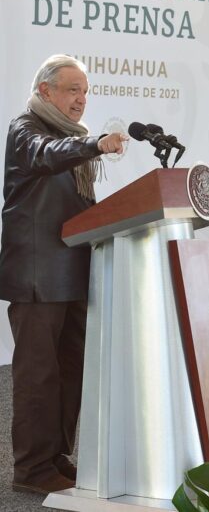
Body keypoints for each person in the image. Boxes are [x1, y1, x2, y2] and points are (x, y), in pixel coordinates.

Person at [0, 55, 128, 494]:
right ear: (45, 92)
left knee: (70, 371)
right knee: (38, 376)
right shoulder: (27, 131)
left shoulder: (67, 138)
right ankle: (31, 470)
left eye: (85, 91)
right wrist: (95, 145)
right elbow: (46, 155)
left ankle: (55, 457)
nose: (81, 99)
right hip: (39, 278)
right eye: (73, 90)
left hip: (72, 273)